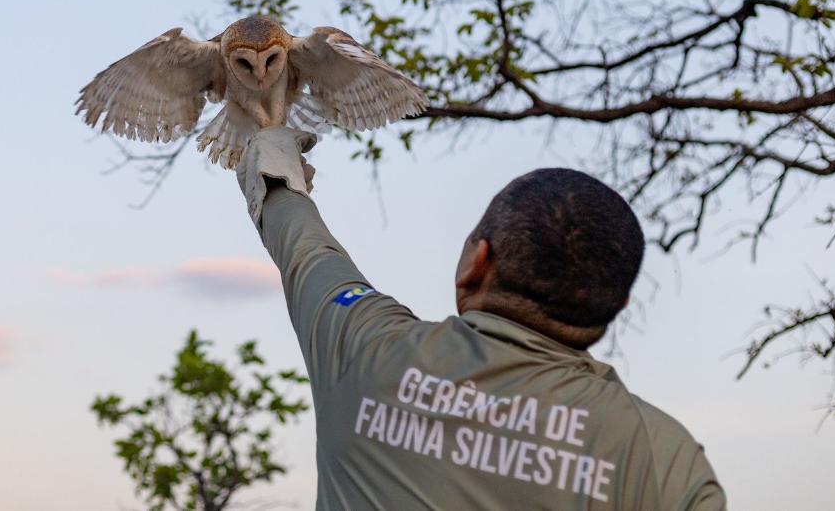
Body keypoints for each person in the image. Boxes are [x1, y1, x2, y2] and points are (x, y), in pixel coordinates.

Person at [236, 126, 726, 510]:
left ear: (477, 261)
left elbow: (307, 249)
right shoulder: (669, 462)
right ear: (616, 306)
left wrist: (273, 153)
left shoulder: (364, 347)